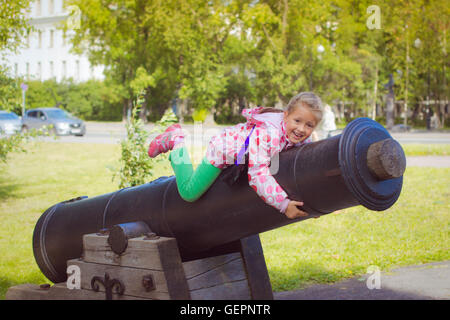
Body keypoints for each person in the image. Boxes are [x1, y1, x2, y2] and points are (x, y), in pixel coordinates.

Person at [148, 92, 323, 219]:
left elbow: (304, 168)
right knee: (189, 192)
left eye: (309, 125)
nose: (301, 129)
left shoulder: (299, 139)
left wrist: (312, 203)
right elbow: (257, 174)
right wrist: (283, 204)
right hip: (224, 151)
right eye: (297, 121)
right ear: (285, 115)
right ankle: (176, 141)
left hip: (242, 158)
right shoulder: (269, 134)